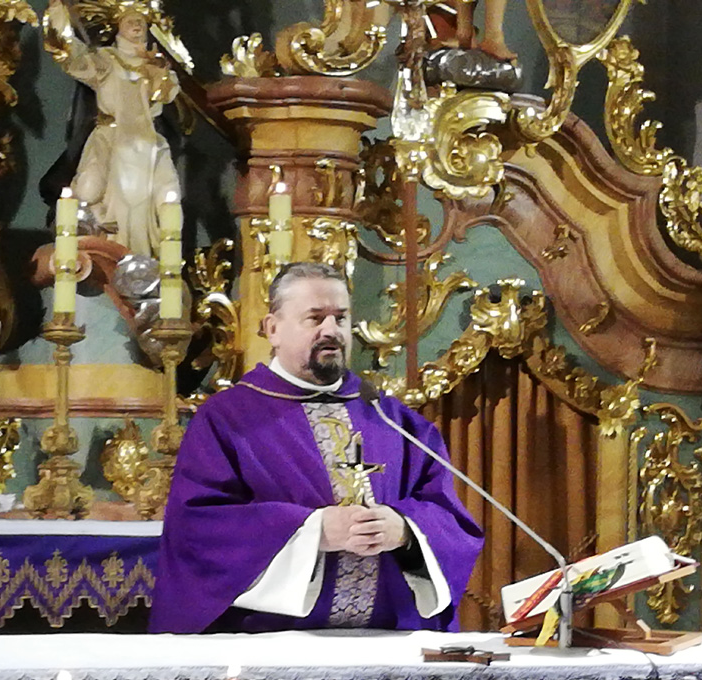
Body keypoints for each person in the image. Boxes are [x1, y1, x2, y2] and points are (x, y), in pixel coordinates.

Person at [149, 262, 484, 634]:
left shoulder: (391, 418)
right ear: (273, 329)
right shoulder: (228, 418)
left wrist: (405, 531)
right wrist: (312, 531)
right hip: (270, 643)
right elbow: (197, 528)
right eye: (315, 318)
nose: (331, 330)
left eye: (340, 318)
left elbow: (446, 514)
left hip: (386, 641)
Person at [46, 0, 181, 257]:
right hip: (108, 136)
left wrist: (157, 72)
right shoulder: (106, 60)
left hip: (144, 142)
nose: (136, 25)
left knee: (164, 198)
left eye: (141, 21)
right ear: (118, 26)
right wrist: (58, 17)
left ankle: (140, 253)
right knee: (89, 190)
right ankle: (97, 240)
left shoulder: (156, 64)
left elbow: (165, 93)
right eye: (130, 21)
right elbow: (73, 56)